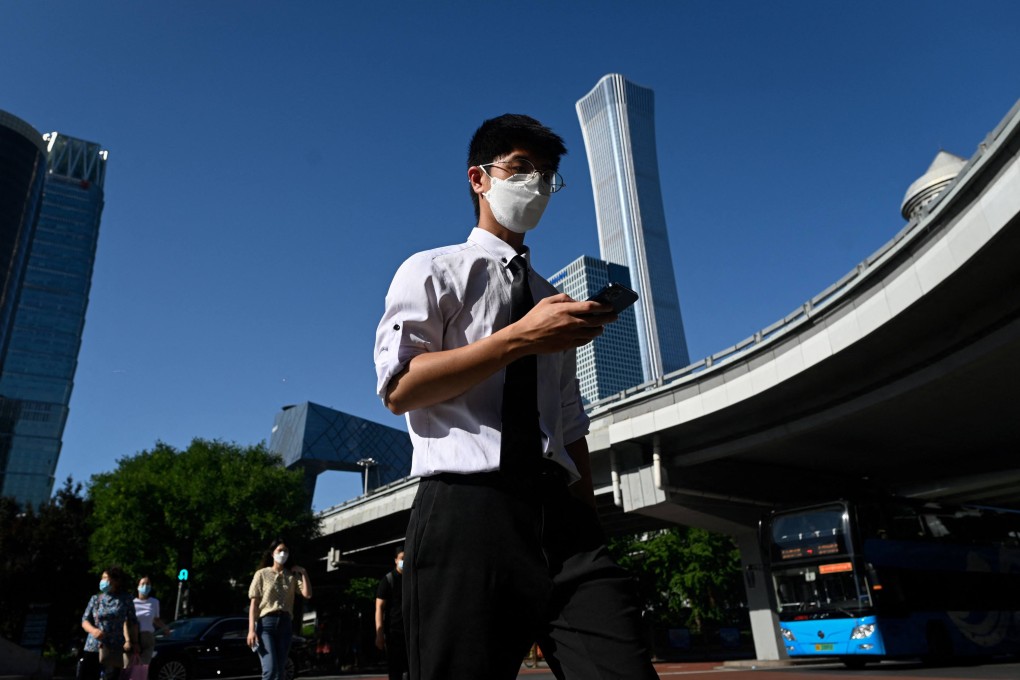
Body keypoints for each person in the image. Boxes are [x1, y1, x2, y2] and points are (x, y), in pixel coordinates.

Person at [374, 114, 659, 680]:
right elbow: (401, 387)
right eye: (522, 168)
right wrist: (518, 339)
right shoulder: (433, 270)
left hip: (561, 516)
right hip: (468, 508)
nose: (536, 184)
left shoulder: (553, 299)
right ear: (479, 179)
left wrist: (589, 520)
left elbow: (569, 421)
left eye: (548, 174)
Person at [246, 539, 312, 680]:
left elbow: (307, 594)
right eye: (279, 550)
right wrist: (251, 630)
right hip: (266, 625)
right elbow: (254, 604)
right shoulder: (262, 574)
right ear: (272, 553)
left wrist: (303, 572)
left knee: (280, 672)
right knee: (270, 670)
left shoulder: (291, 576)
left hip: (285, 624)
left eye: (286, 551)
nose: (283, 553)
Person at [81, 567, 139, 679]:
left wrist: (134, 642)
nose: (102, 581)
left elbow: (133, 622)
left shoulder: (126, 599)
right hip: (93, 646)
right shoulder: (96, 599)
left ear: (116, 580)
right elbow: (85, 621)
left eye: (105, 578)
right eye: (102, 578)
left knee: (111, 676)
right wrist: (93, 630)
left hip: (114, 647)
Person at [374, 546, 408, 680]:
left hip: (411, 632)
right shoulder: (388, 580)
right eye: (402, 559)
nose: (405, 561)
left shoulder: (412, 578)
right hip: (394, 632)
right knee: (395, 670)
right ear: (395, 560)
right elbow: (379, 608)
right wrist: (379, 634)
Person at [132, 575, 169, 676]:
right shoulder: (132, 603)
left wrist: (165, 628)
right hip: (134, 637)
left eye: (148, 584)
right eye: (143, 584)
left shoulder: (154, 602)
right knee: (132, 665)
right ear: (138, 586)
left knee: (143, 666)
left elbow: (156, 619)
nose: (145, 586)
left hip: (147, 637)